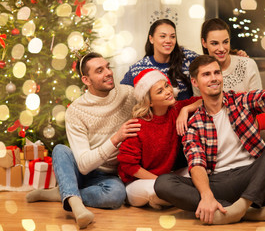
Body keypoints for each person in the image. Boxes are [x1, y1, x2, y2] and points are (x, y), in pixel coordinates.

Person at [154, 53, 265, 225]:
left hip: (253, 177)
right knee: (163, 183)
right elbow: (196, 163)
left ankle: (241, 207)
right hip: (218, 183)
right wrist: (207, 195)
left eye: (216, 73)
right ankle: (250, 213)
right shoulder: (194, 123)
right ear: (195, 82)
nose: (214, 78)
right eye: (206, 74)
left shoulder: (241, 101)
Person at [25, 52, 141, 229]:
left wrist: (190, 107)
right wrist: (116, 138)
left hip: (108, 175)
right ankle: (77, 207)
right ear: (86, 80)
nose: (109, 73)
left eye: (108, 67)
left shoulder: (128, 94)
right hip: (82, 169)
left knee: (117, 196)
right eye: (100, 71)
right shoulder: (77, 110)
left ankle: (66, 193)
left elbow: (157, 98)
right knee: (61, 150)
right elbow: (84, 165)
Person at [117, 68, 201, 209]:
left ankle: (170, 198)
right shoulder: (138, 125)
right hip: (138, 183)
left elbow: (204, 100)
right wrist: (162, 181)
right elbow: (129, 166)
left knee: (200, 172)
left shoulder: (175, 110)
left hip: (167, 177)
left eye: (166, 86)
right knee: (156, 189)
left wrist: (185, 110)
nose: (168, 91)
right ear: (149, 102)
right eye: (160, 91)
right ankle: (170, 197)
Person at [199, 18, 265, 130]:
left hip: (249, 126)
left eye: (225, 42)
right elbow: (201, 108)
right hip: (216, 130)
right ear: (204, 43)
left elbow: (258, 104)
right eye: (214, 43)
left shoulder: (247, 64)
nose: (221, 48)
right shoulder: (199, 71)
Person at [120, 19, 199, 100]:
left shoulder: (188, 58)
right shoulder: (138, 69)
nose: (168, 41)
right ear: (151, 39)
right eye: (163, 36)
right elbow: (122, 96)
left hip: (189, 111)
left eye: (172, 36)